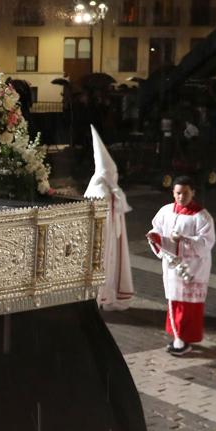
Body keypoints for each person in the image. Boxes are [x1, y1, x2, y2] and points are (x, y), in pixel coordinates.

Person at [147, 176, 216, 356]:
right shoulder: (166, 211)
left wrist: (184, 239)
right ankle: (178, 336)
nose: (181, 196)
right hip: (172, 266)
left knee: (188, 305)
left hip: (192, 268)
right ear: (173, 193)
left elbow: (206, 243)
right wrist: (154, 236)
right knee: (174, 300)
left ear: (193, 192)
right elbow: (157, 229)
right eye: (178, 193)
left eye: (185, 193)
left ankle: (184, 339)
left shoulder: (201, 216)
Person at [84, 126, 134, 311]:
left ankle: (108, 295)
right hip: (101, 238)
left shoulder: (113, 191)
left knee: (110, 266)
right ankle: (100, 297)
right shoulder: (99, 190)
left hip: (111, 235)